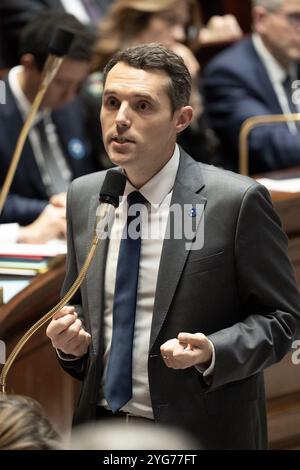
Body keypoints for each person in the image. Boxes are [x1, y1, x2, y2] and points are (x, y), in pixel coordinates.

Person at [46, 43, 300, 450]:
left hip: (201, 432)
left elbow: (283, 320)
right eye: (111, 102)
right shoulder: (85, 195)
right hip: (103, 428)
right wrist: (69, 345)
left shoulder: (235, 202)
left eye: (143, 106)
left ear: (181, 119)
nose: (121, 120)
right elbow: (80, 309)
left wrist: (214, 350)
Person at [0, 11, 105, 241]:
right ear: (28, 64)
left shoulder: (71, 101)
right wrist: (51, 209)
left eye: (77, 84)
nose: (69, 95)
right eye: (61, 83)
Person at [89, 0, 227, 165]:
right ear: (136, 21)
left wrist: (190, 94)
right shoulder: (100, 86)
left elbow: (207, 161)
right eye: (170, 20)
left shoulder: (182, 75)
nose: (180, 35)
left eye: (184, 25)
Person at [203, 0, 300, 174]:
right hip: (263, 194)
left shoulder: (295, 60)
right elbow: (267, 144)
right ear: (261, 19)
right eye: (295, 18)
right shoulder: (229, 72)